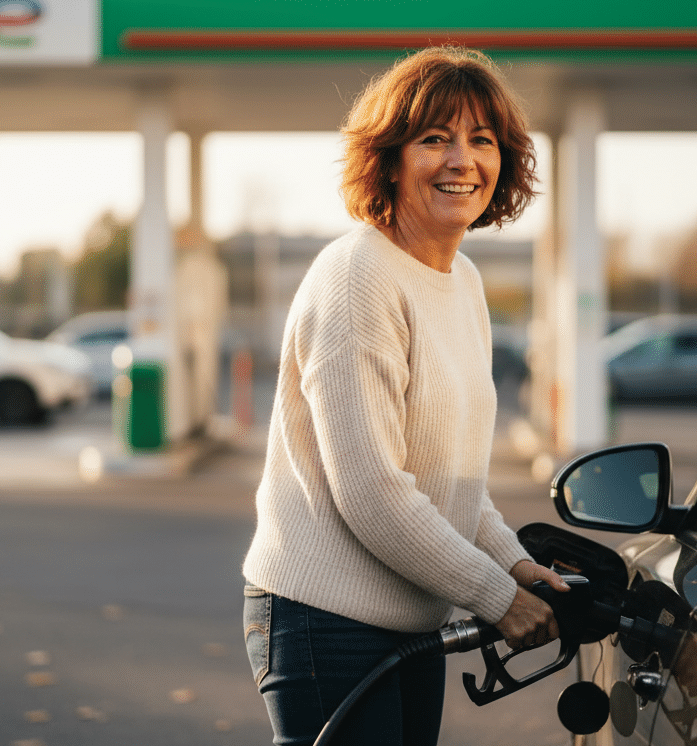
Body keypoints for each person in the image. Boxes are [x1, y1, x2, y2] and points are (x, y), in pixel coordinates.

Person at [241, 46, 569, 746]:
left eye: (482, 141)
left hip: (411, 621)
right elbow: (372, 491)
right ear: (389, 159)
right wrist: (496, 597)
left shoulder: (465, 283)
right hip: (323, 622)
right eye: (434, 139)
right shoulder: (359, 276)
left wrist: (513, 562)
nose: (462, 160)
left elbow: (451, 480)